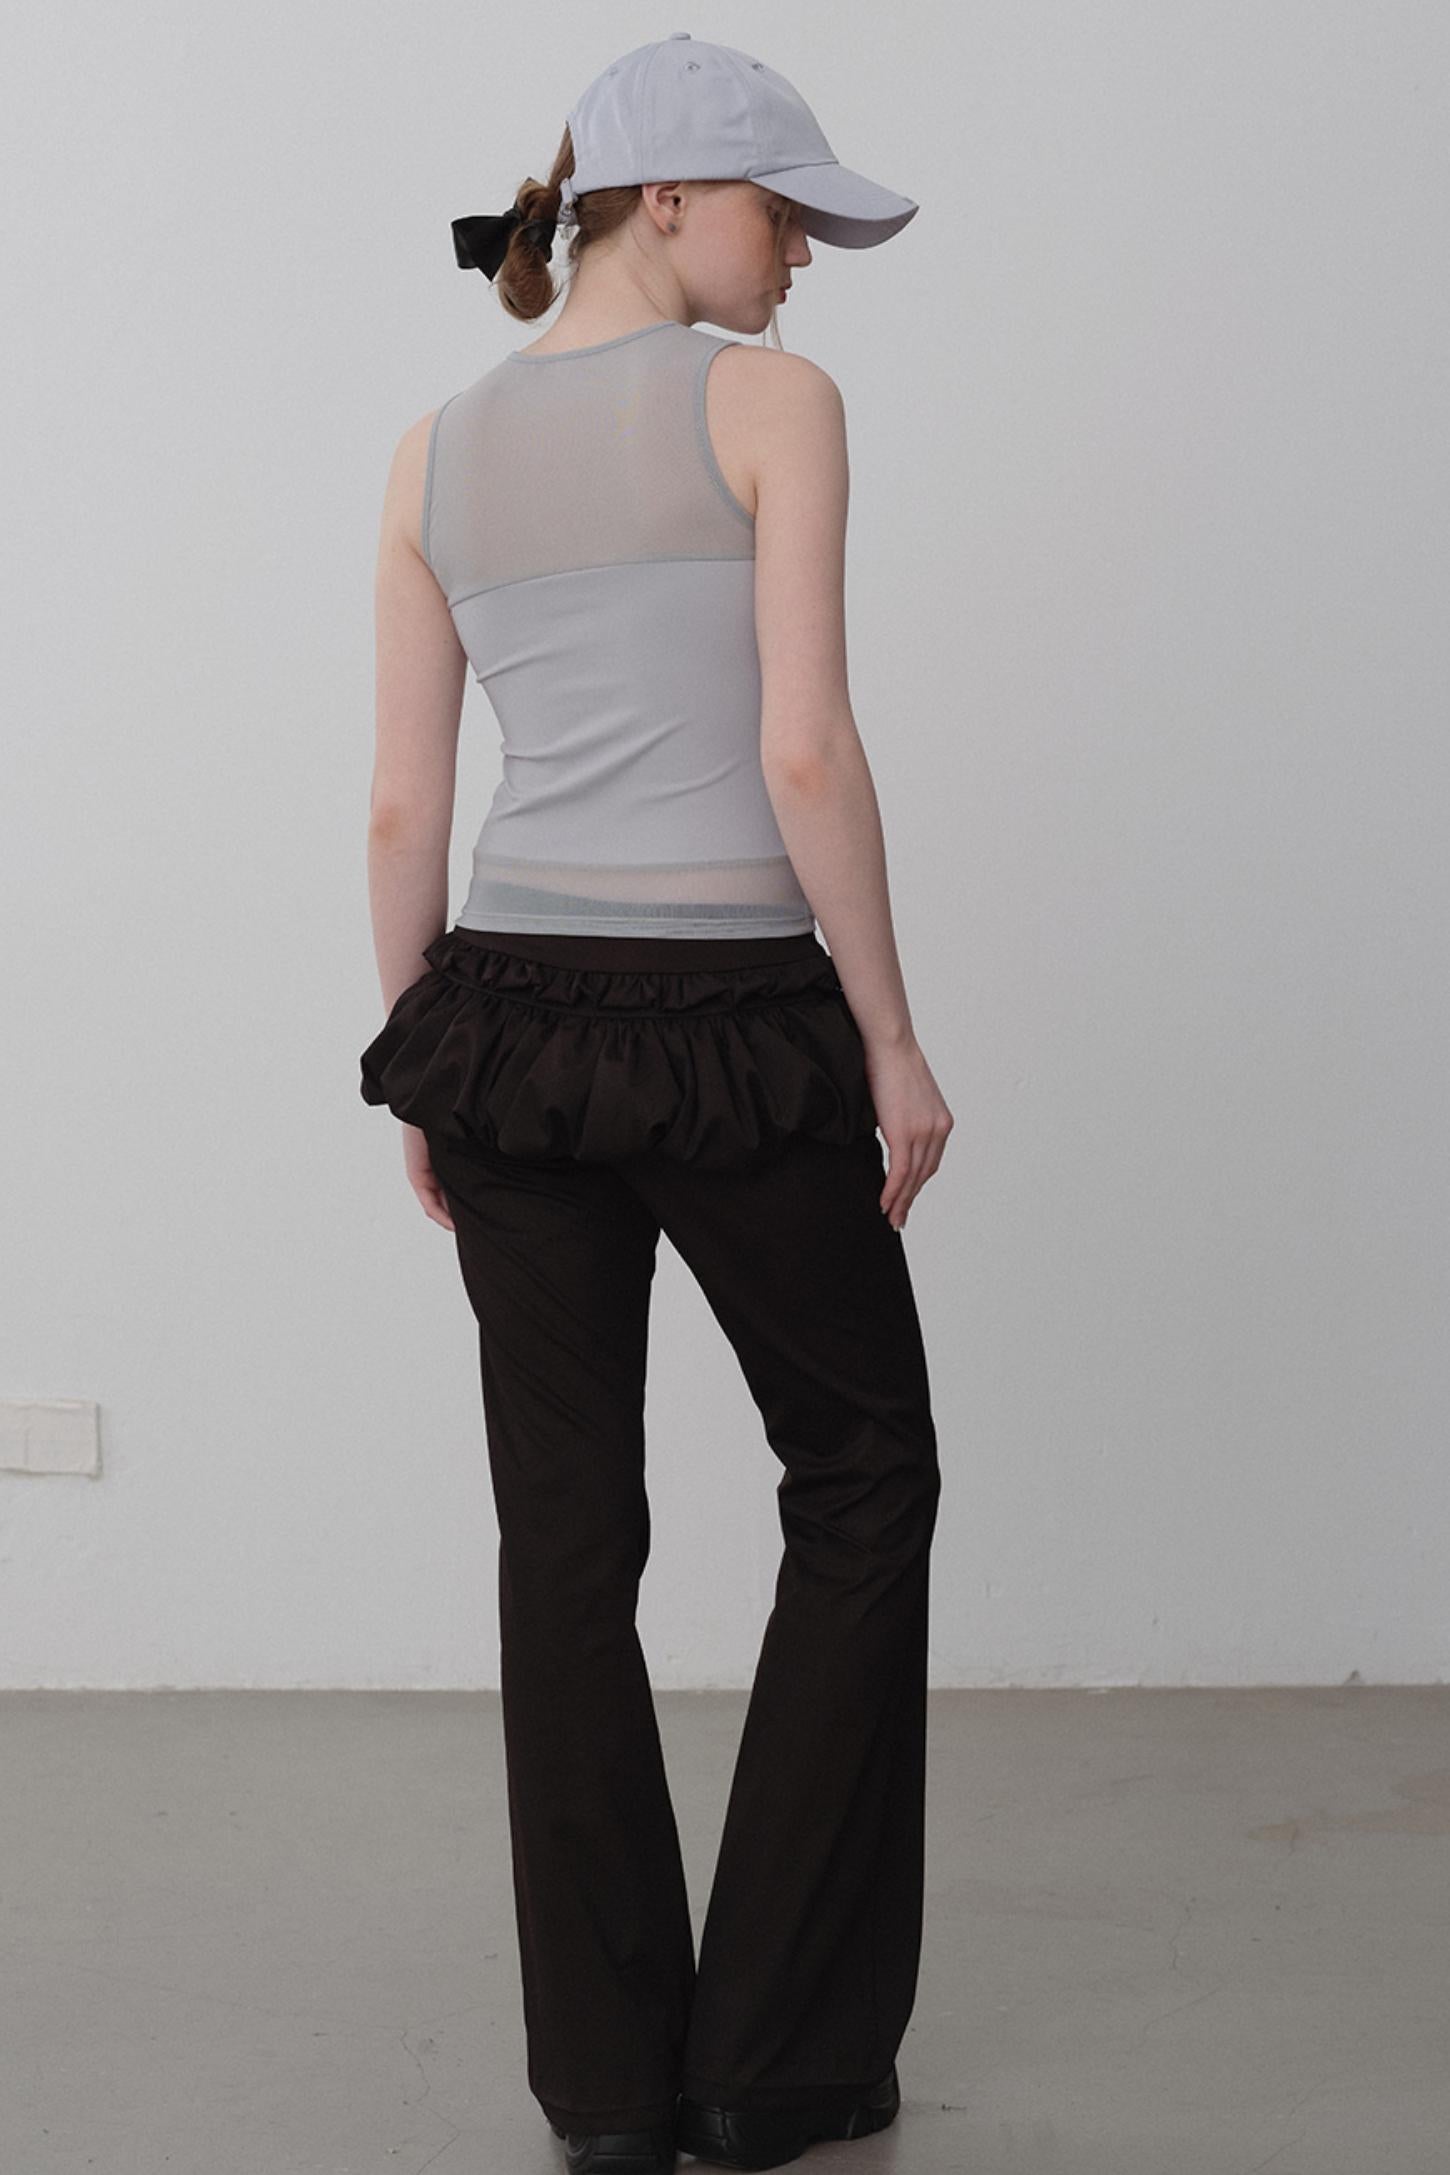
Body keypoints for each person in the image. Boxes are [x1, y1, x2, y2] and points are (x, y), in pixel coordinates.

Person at [359, 35, 953, 2175]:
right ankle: (770, 2063)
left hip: (503, 1024)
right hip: (725, 1020)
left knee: (564, 1539)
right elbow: (803, 749)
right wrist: (889, 1037)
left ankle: (607, 2088)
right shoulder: (770, 404)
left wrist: (419, 1060)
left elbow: (403, 804)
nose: (800, 255)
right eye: (784, 210)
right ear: (671, 199)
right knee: (860, 1473)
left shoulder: (431, 450)